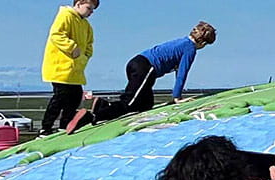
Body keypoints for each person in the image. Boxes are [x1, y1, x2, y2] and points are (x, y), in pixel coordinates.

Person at [87, 24, 217, 124]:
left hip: (137, 63)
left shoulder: (182, 42)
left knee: (145, 105)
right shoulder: (190, 48)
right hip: (145, 68)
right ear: (203, 43)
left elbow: (178, 70)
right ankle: (96, 116)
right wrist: (177, 97)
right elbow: (182, 73)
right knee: (129, 103)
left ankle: (102, 105)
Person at [40, 0, 99, 133]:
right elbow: (56, 34)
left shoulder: (86, 25)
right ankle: (45, 128)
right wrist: (72, 48)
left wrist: (85, 56)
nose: (91, 12)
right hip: (60, 67)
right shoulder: (65, 15)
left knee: (75, 96)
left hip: (75, 69)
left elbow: (90, 43)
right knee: (60, 97)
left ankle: (64, 125)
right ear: (78, 4)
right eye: (89, 8)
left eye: (93, 9)